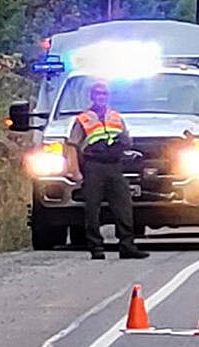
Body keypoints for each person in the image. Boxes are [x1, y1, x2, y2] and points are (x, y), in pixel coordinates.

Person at [66, 80, 149, 259]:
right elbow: (72, 145)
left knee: (124, 206)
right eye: (97, 94)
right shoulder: (83, 119)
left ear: (108, 97)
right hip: (93, 167)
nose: (100, 97)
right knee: (92, 209)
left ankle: (127, 246)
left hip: (114, 166)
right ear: (92, 97)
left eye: (104, 94)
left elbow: (127, 139)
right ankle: (96, 248)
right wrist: (74, 170)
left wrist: (123, 144)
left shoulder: (116, 118)